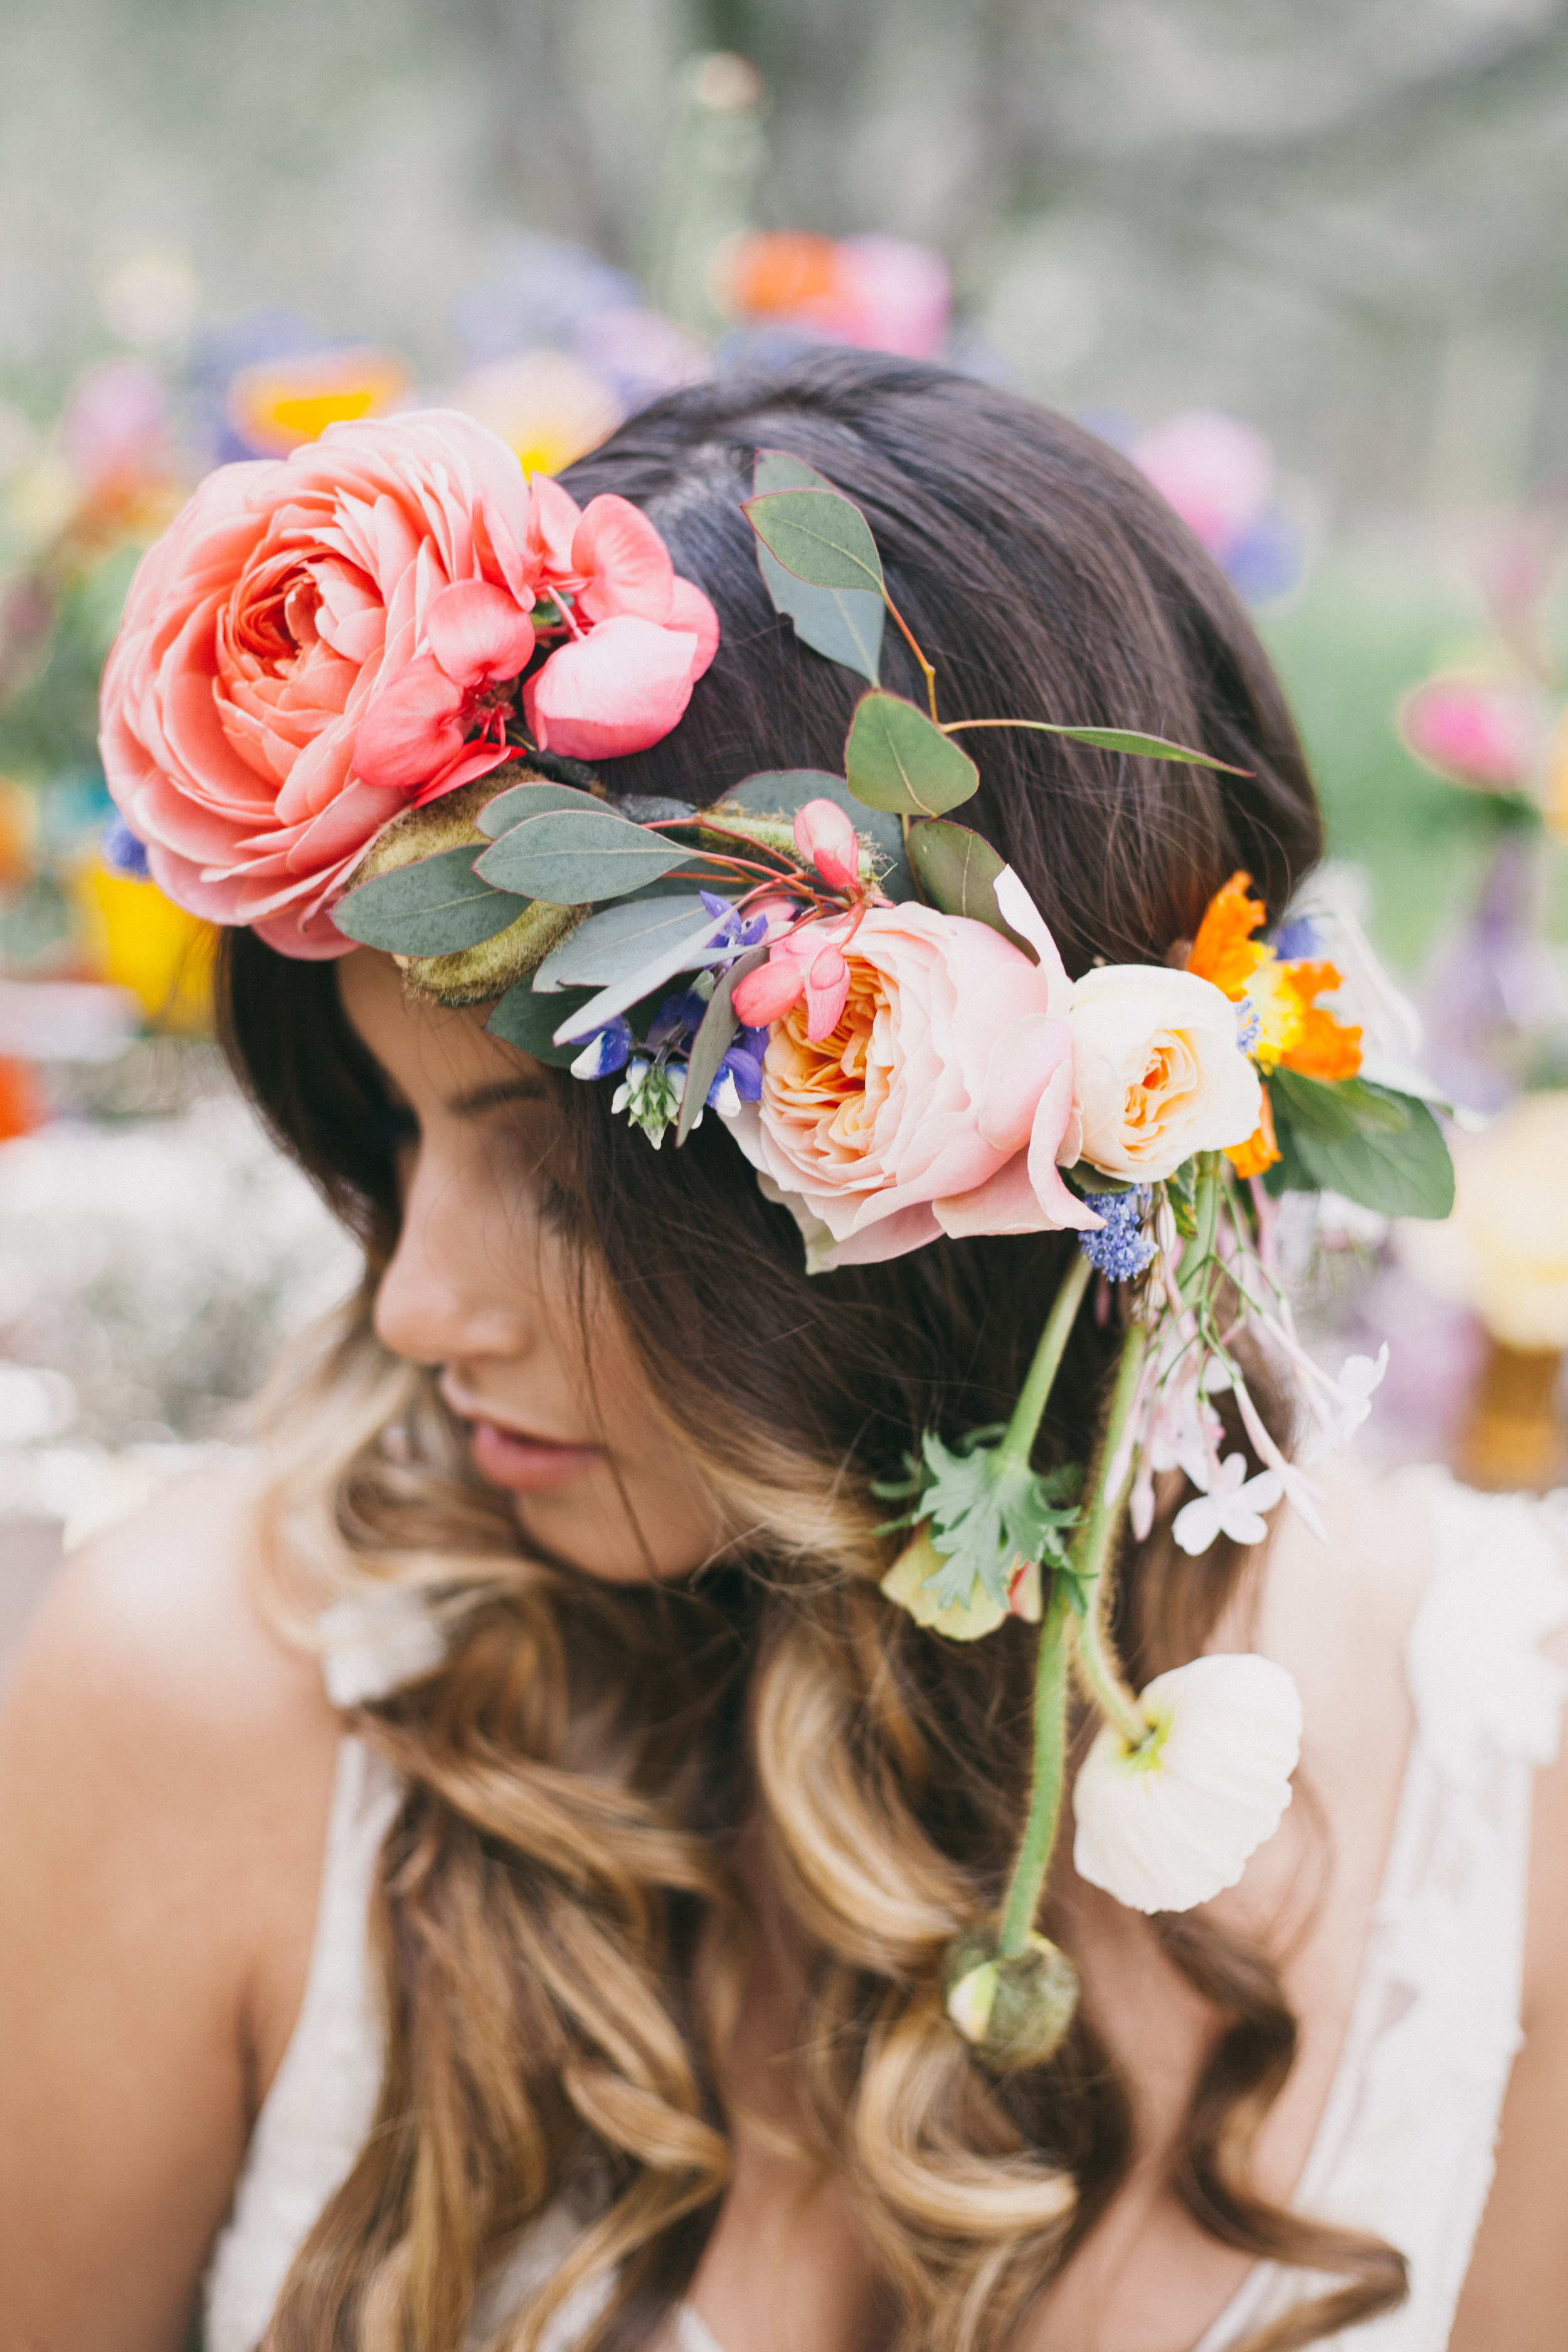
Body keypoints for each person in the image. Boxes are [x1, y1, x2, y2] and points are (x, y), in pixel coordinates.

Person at [2, 351, 1566, 2352]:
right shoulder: (221, 1705)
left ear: (1008, 1187)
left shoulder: (1488, 1778)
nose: (411, 1310)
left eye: (569, 1179)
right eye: (395, 1144)